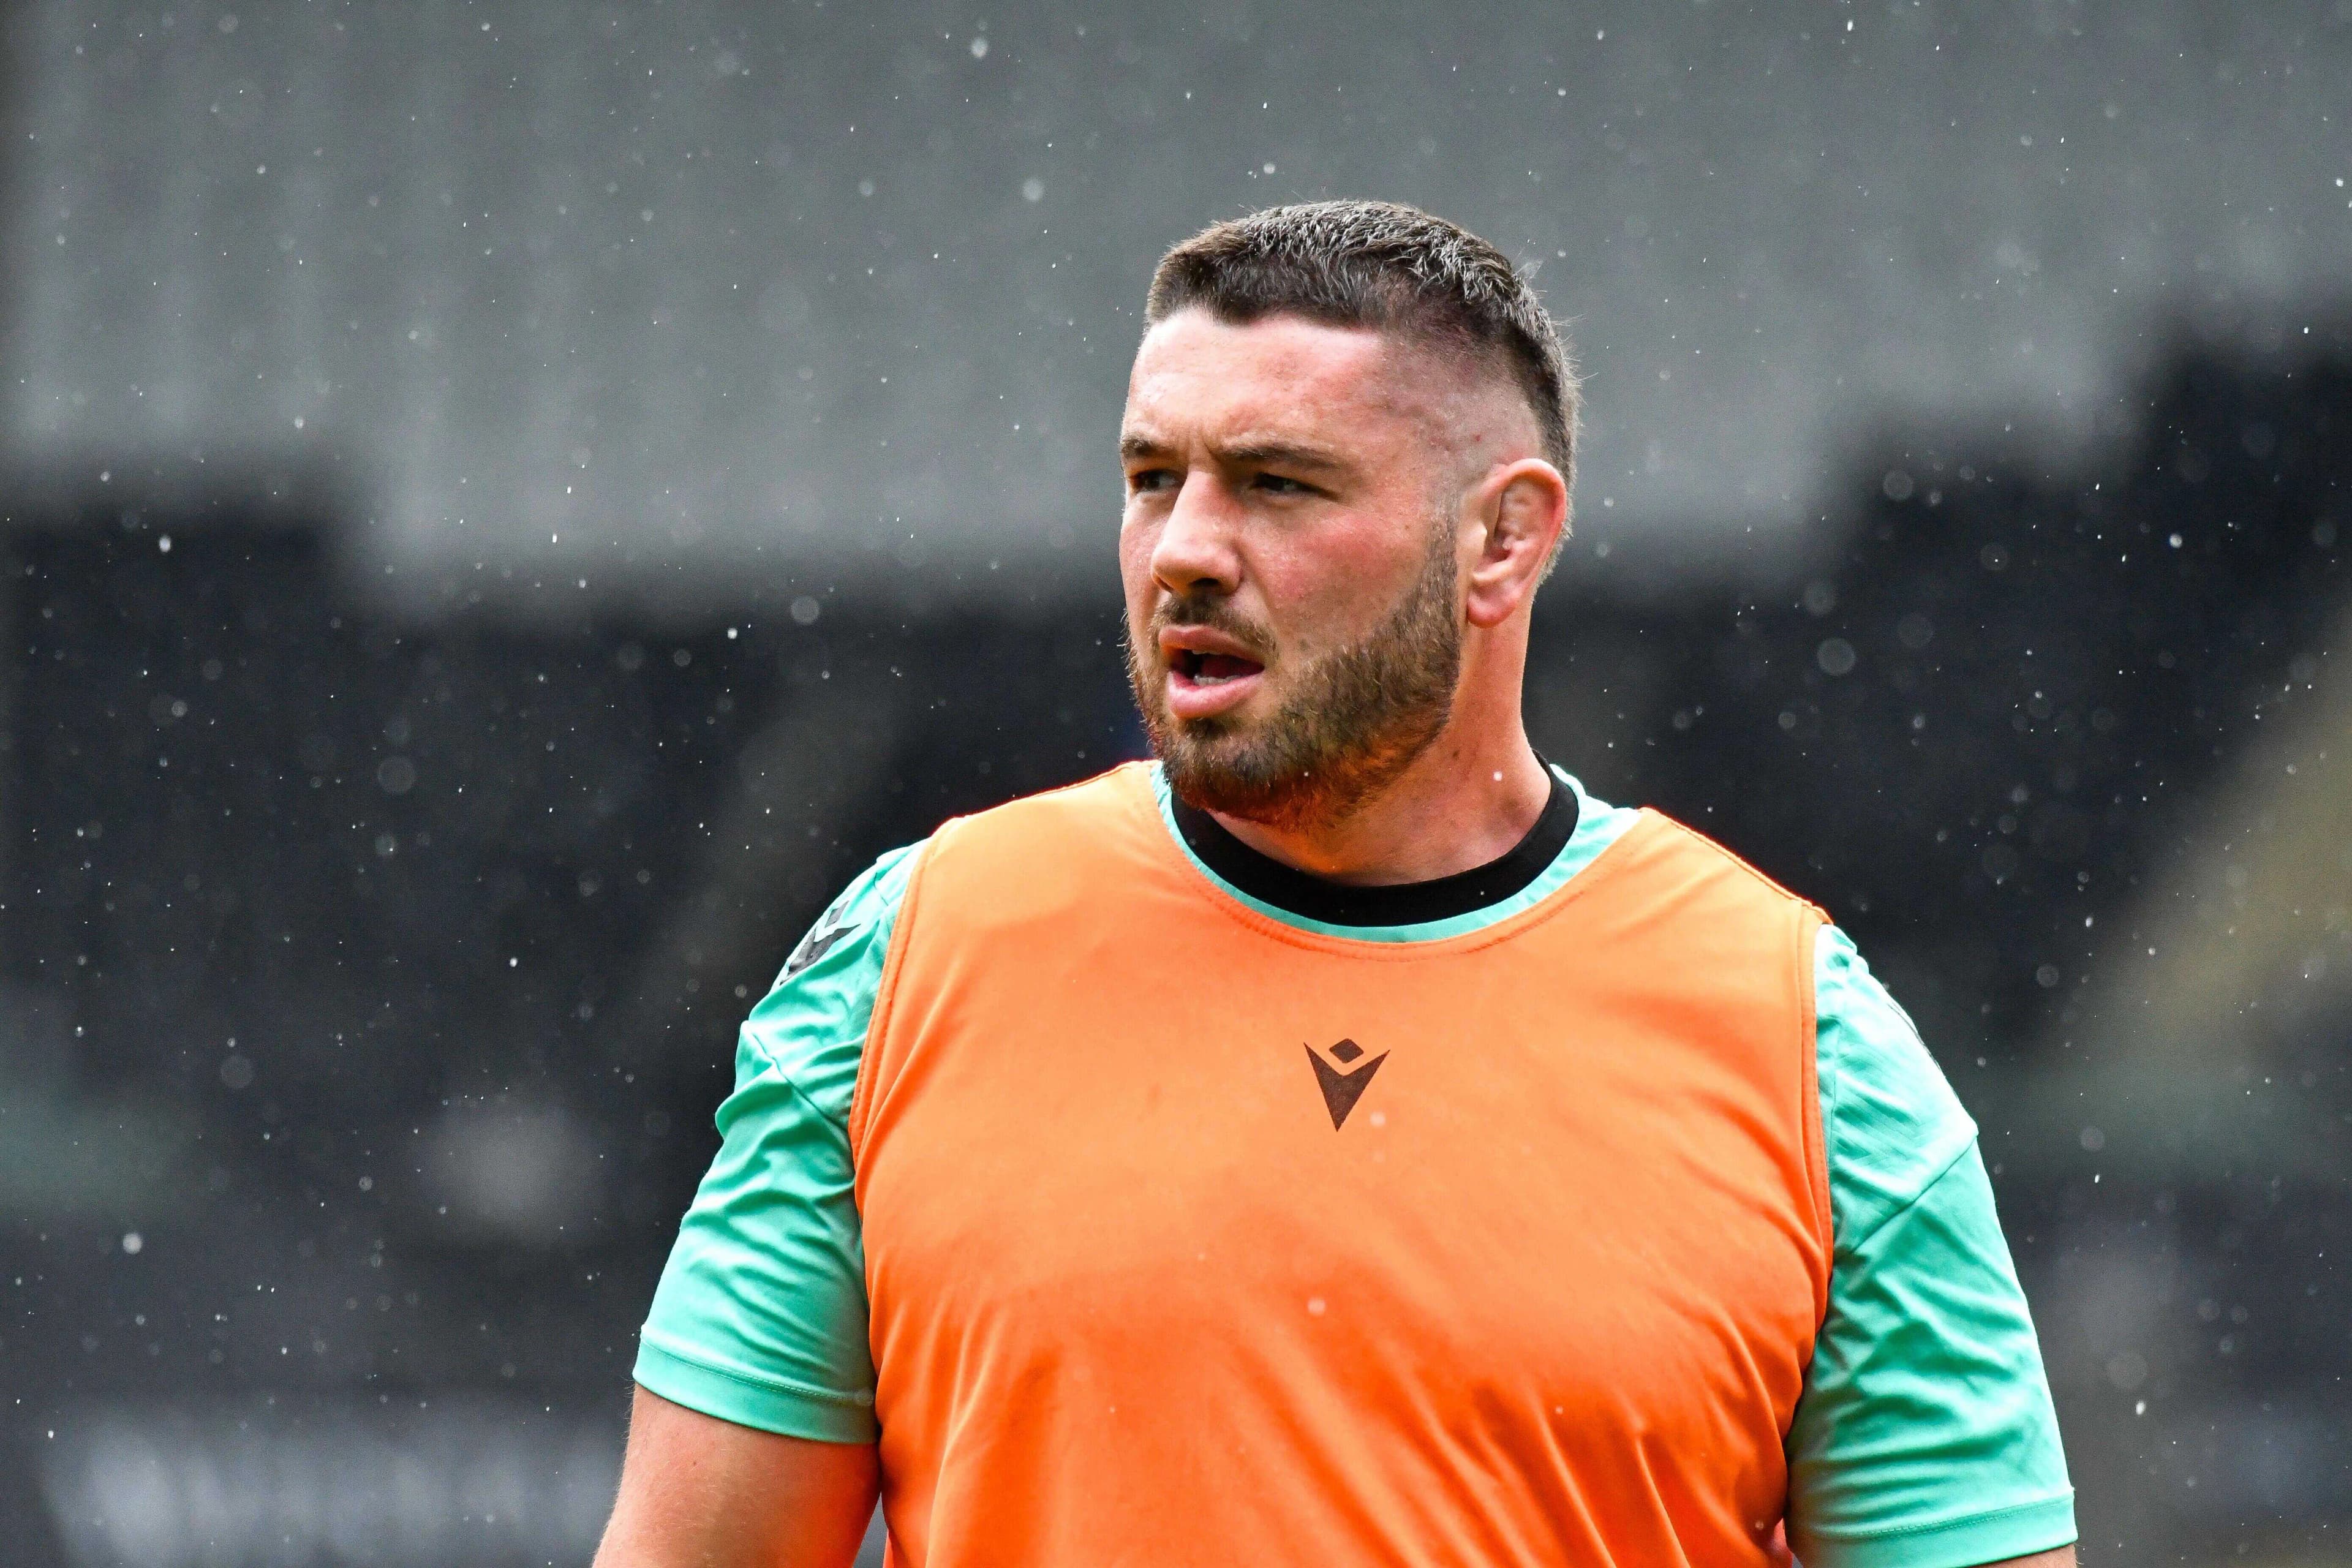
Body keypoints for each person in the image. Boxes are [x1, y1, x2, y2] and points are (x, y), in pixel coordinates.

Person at [594, 201, 2078, 1568]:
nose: (1183, 551)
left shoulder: (1807, 1046)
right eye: (1151, 478)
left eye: (1278, 485)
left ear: (1506, 537)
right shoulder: (905, 959)